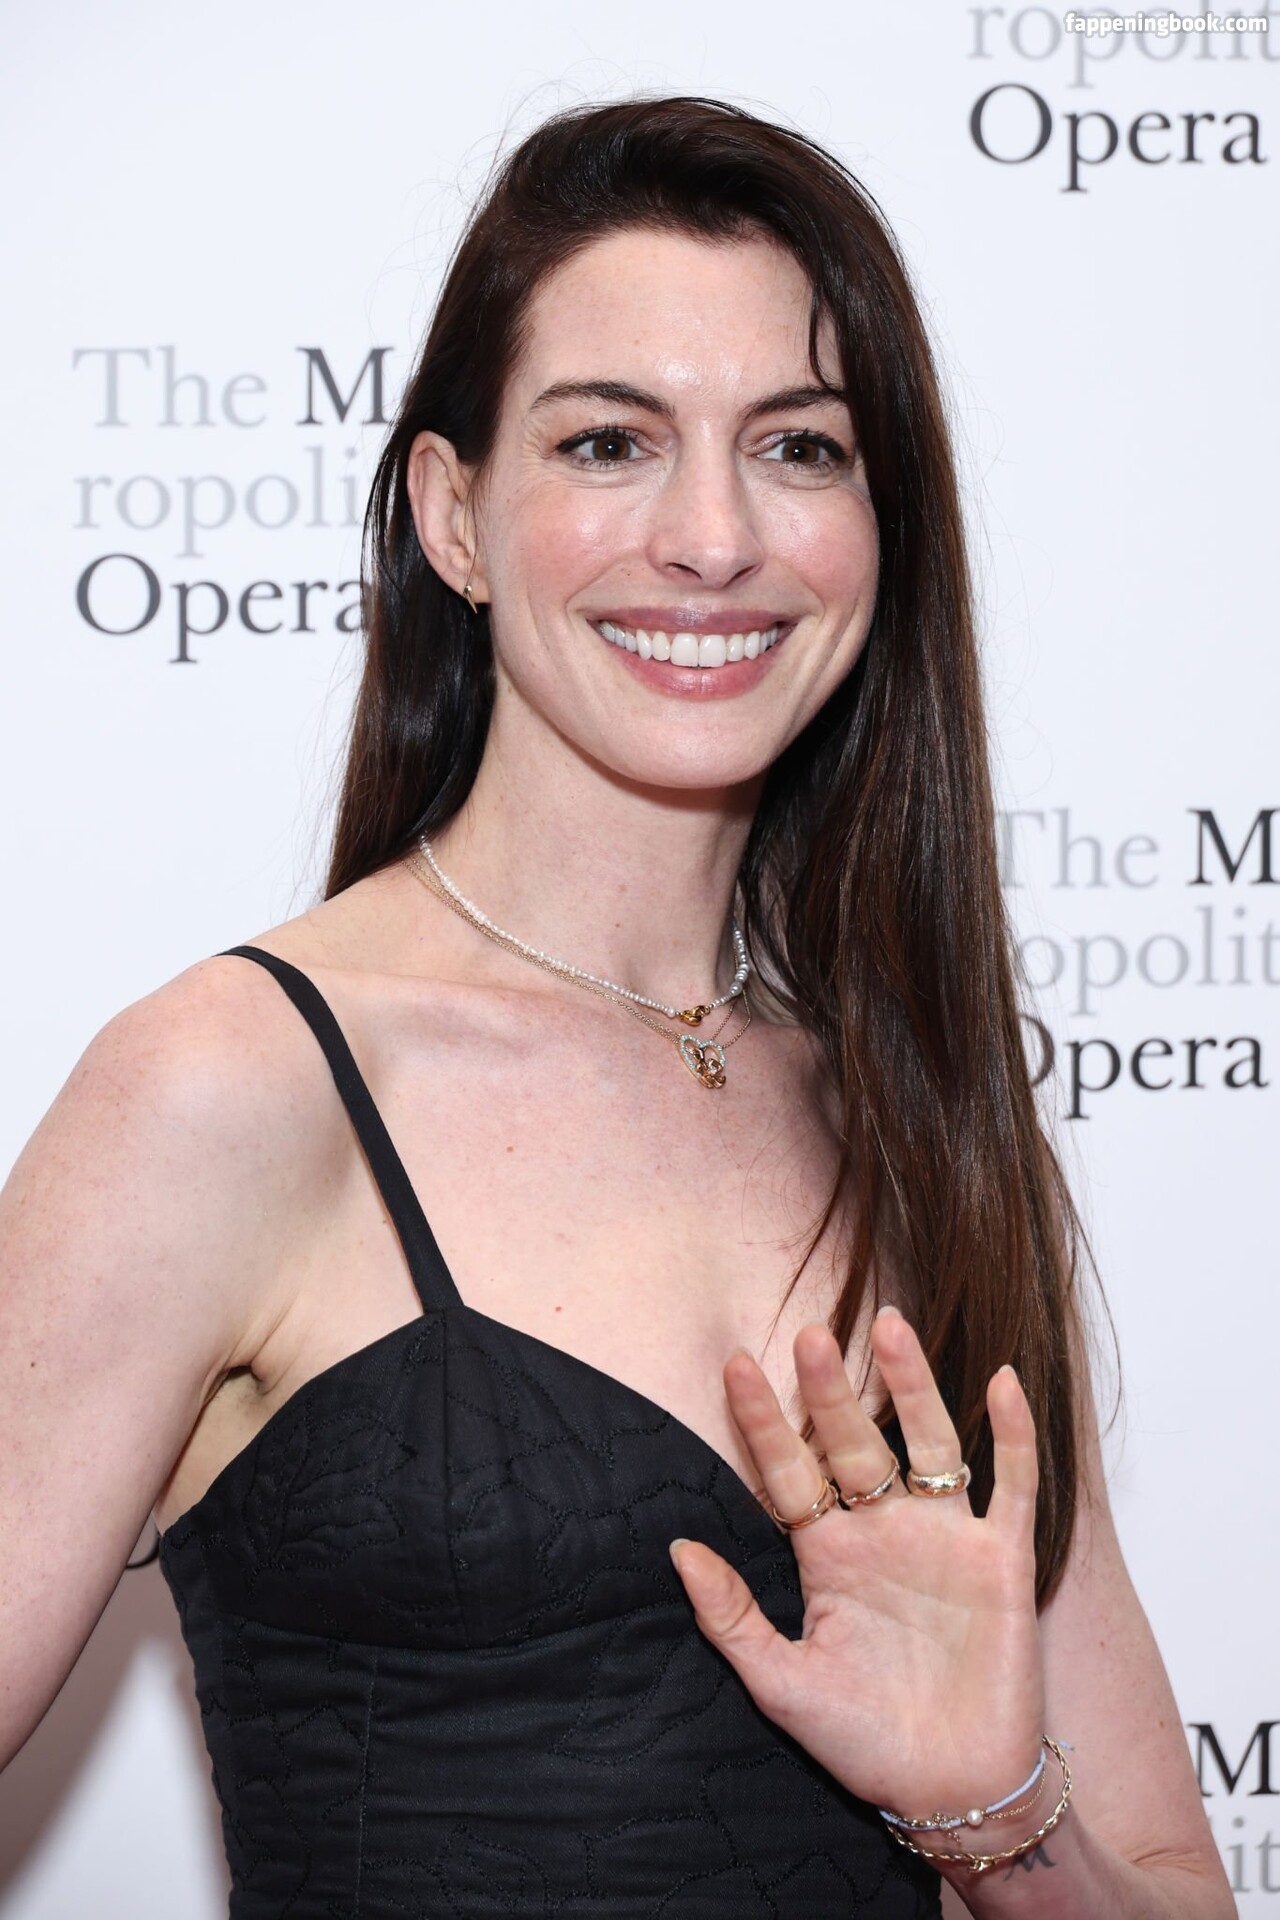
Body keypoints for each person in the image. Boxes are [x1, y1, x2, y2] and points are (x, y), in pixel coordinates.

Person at [0, 96, 1230, 1919]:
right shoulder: (231, 1087)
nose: (714, 537)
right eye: (608, 441)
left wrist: (994, 1812)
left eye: (799, 447)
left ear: (882, 526)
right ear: (454, 516)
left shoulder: (932, 1124)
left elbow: (1166, 1886)